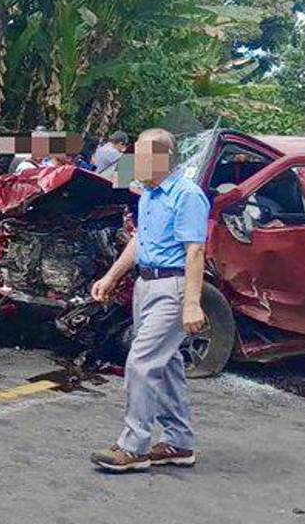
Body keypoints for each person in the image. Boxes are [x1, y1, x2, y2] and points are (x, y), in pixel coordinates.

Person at [89, 128, 210, 473]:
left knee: (141, 363)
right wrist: (112, 276)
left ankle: (134, 447)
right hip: (147, 285)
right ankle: (179, 443)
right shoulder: (149, 195)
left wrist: (191, 302)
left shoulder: (187, 195)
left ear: (164, 159)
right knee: (166, 363)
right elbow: (141, 240)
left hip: (172, 288)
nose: (134, 162)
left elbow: (195, 250)